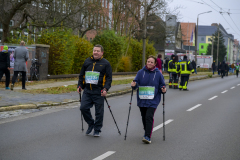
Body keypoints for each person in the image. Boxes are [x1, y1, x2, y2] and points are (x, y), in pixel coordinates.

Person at [77, 44, 112, 137]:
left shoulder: (106, 63)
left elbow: (109, 78)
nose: (95, 52)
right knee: (83, 108)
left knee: (99, 112)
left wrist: (105, 89)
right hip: (87, 91)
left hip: (99, 91)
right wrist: (79, 86)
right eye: (94, 51)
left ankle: (97, 129)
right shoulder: (87, 61)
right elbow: (81, 75)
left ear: (102, 52)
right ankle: (91, 123)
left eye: (97, 51)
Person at [131, 55, 166, 144]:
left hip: (153, 99)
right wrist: (134, 85)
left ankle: (147, 136)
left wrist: (163, 89)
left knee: (149, 116)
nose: (149, 63)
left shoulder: (158, 74)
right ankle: (147, 130)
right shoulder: (140, 72)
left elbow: (162, 84)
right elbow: (136, 83)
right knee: (144, 117)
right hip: (142, 99)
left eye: (151, 62)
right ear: (146, 62)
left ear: (155, 64)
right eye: (148, 61)